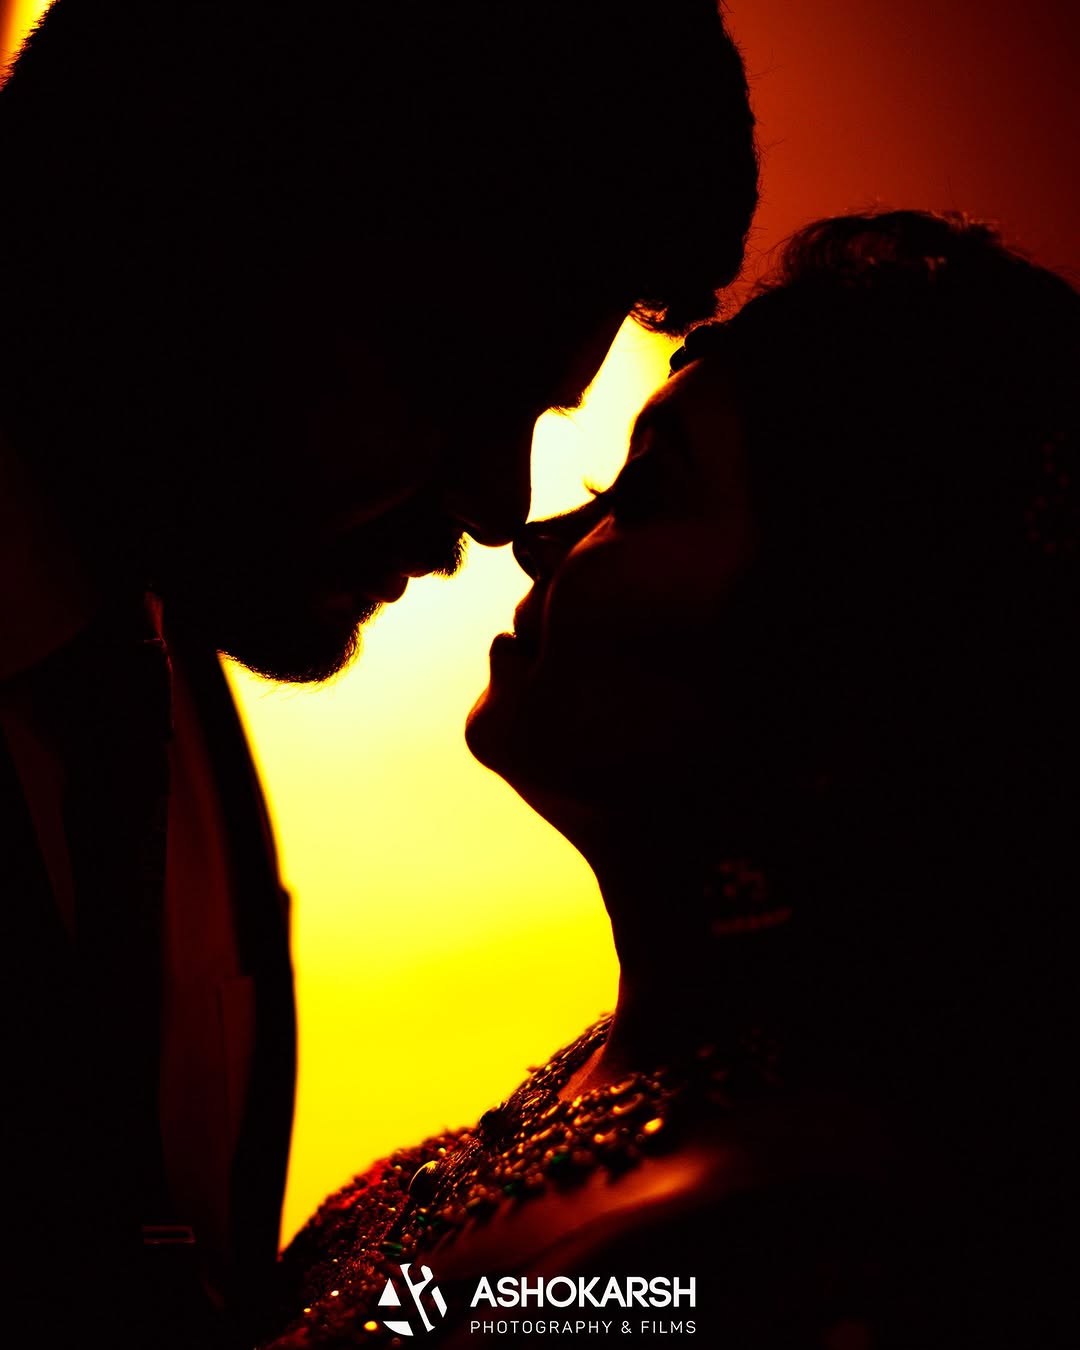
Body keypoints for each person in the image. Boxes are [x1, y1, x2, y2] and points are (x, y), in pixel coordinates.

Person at [0, 3, 758, 1345]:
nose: (502, 511)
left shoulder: (158, 692)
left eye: (648, 490)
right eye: (459, 390)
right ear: (202, 247)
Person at [260, 209, 1079, 1349]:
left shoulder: (781, 1245)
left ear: (842, 647)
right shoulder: (595, 1117)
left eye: (642, 495)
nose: (537, 534)